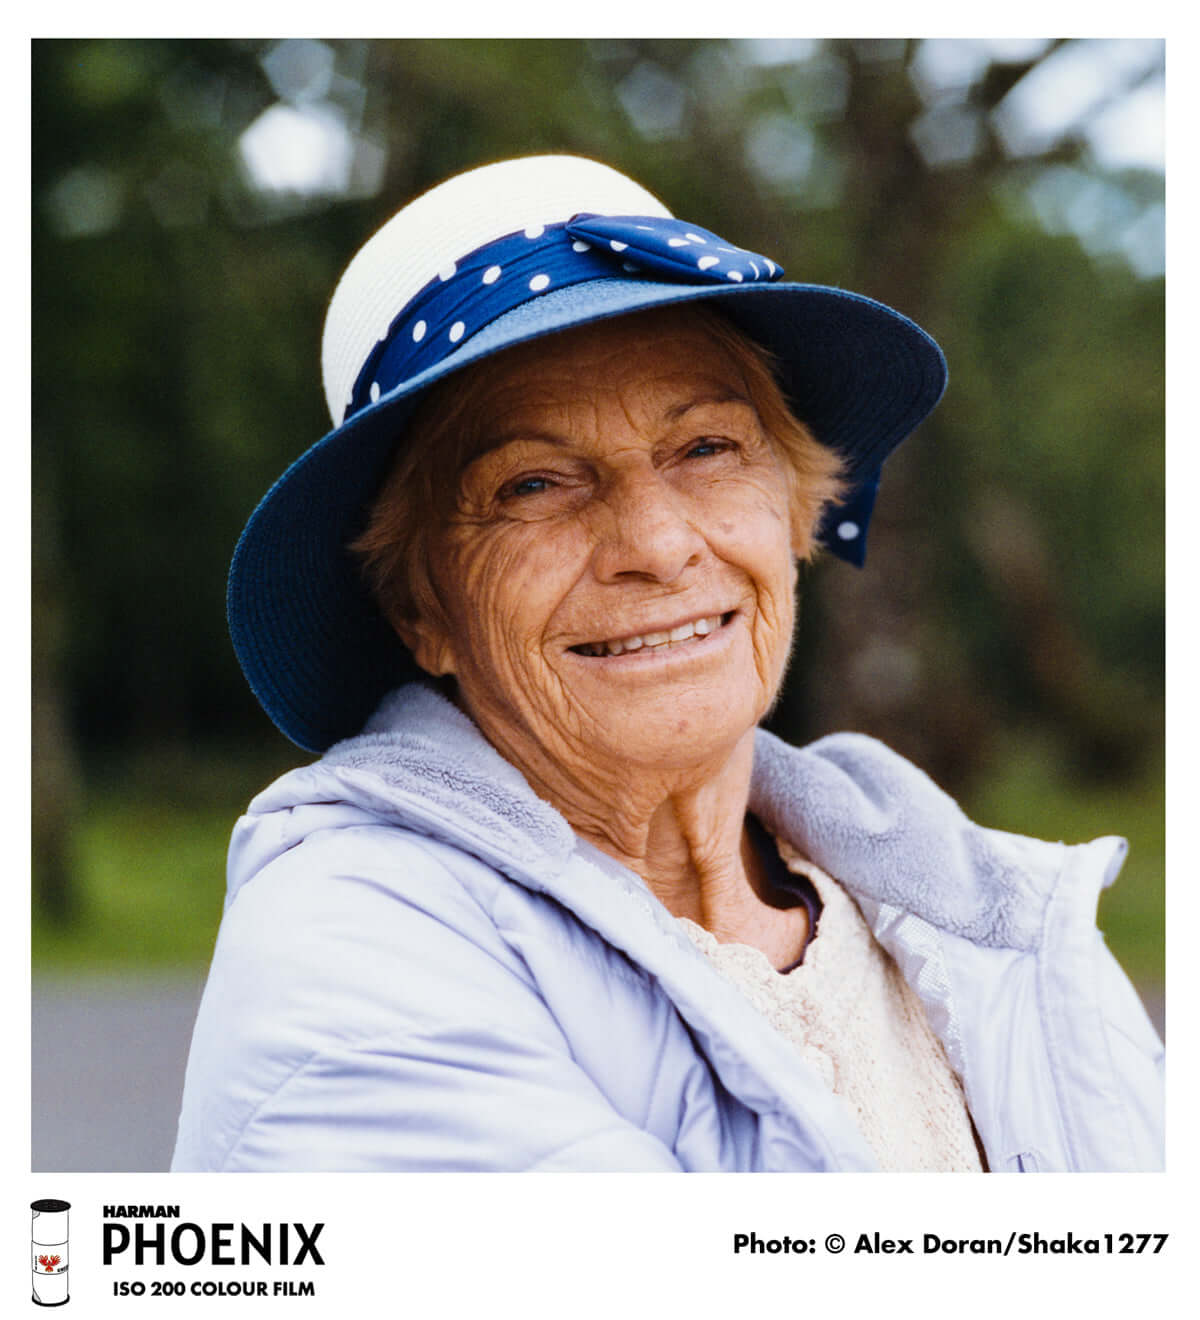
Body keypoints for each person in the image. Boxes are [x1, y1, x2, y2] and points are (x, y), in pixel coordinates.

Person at [172, 154, 1163, 1173]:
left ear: (795, 511)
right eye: (534, 485)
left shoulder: (983, 910)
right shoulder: (356, 945)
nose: (657, 544)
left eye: (706, 449)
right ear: (421, 609)